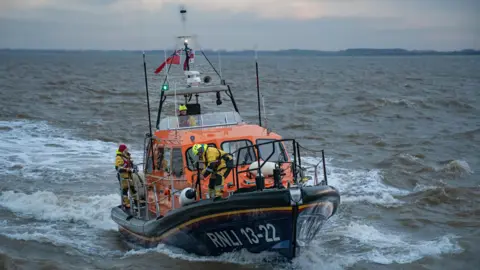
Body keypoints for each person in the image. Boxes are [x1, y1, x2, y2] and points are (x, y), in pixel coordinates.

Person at [114, 144, 137, 209]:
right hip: (123, 176)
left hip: (129, 175)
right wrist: (127, 169)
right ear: (123, 150)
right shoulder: (119, 157)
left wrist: (133, 167)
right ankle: (126, 203)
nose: (127, 150)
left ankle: (136, 200)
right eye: (126, 149)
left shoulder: (127, 156)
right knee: (125, 190)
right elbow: (118, 168)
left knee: (133, 188)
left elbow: (130, 164)